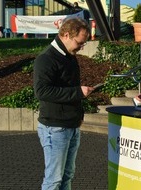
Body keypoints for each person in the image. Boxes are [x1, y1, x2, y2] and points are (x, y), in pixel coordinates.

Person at [33, 17, 94, 190]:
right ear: (66, 35)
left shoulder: (69, 56)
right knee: (54, 180)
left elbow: (70, 86)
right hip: (55, 128)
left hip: (71, 125)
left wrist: (79, 114)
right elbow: (42, 92)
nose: (81, 47)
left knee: (67, 176)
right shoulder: (46, 59)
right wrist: (77, 92)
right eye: (79, 42)